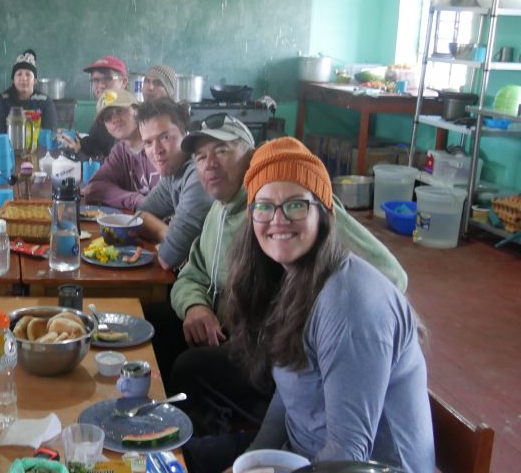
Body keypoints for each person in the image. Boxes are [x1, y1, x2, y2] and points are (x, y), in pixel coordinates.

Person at [182, 137, 433, 472]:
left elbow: (348, 455)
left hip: (363, 467)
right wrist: (252, 459)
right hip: (303, 453)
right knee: (177, 458)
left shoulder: (349, 307)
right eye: (265, 205)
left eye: (296, 204)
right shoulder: (291, 277)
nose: (278, 219)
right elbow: (290, 395)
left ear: (325, 213)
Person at [134, 98, 214, 270]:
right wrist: (166, 233)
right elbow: (138, 216)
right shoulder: (173, 173)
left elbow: (167, 258)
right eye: (147, 142)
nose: (156, 150)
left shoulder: (198, 175)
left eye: (165, 137)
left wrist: (161, 232)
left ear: (186, 134)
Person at [82, 89, 161, 211]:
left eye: (119, 111)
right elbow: (94, 188)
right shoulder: (120, 151)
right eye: (107, 117)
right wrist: (134, 199)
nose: (114, 119)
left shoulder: (160, 144)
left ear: (137, 111)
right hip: (141, 222)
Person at [57, 55, 128, 160]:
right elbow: (95, 143)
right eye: (95, 80)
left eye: (108, 78)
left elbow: (116, 166)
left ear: (123, 82)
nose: (101, 85)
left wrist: (79, 153)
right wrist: (78, 142)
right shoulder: (105, 110)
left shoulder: (128, 116)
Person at [0, 49, 58, 134]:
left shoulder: (45, 101)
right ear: (13, 79)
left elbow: (51, 134)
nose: (24, 78)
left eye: (28, 74)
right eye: (19, 74)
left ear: (35, 80)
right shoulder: (2, 101)